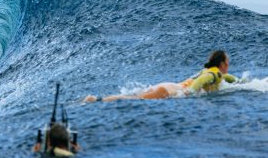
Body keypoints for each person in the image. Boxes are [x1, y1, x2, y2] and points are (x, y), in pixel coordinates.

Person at [84, 50, 239, 103]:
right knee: (135, 99)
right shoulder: (213, 73)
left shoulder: (216, 73)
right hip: (170, 90)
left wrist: (244, 82)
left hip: (168, 86)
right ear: (222, 64)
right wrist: (190, 91)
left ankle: (98, 99)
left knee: (133, 96)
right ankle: (96, 100)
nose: (229, 65)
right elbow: (201, 81)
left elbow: (230, 78)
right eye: (228, 62)